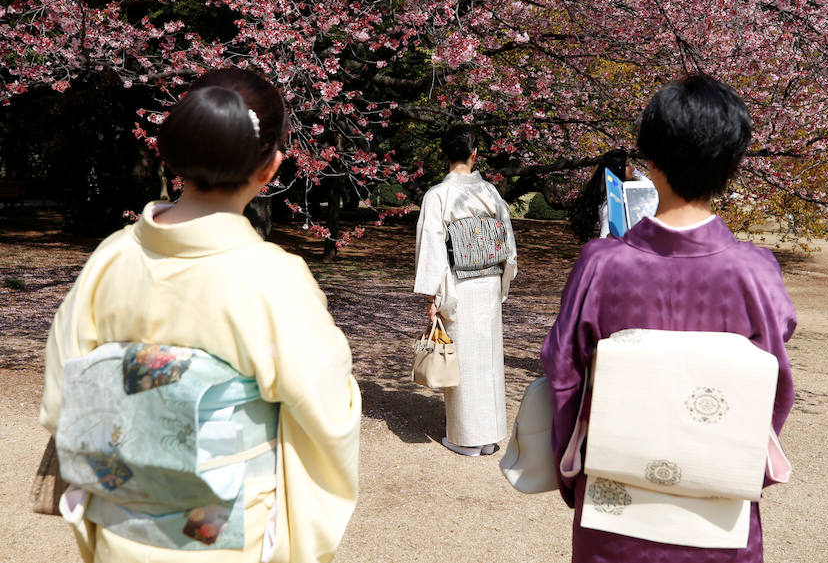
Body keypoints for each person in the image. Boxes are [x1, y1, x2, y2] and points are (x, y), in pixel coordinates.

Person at [39, 68, 361, 563]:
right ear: (271, 167)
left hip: (120, 530)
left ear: (178, 152)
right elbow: (326, 413)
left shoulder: (112, 257)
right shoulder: (273, 279)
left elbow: (64, 396)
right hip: (225, 538)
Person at [541, 75, 795, 563]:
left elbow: (563, 374)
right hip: (718, 507)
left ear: (650, 160)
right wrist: (742, 465)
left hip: (614, 510)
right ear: (732, 166)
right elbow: (776, 385)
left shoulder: (602, 265)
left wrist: (574, 470)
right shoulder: (755, 272)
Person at [414, 125, 517, 456]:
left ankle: (466, 438)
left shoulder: (438, 195)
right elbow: (507, 240)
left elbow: (432, 248)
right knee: (487, 358)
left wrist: (433, 296)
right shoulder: (489, 192)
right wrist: (501, 273)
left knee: (465, 358)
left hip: (458, 282)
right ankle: (488, 436)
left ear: (445, 154)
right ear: (475, 155)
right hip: (489, 279)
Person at [569, 149, 649, 242]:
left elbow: (650, 188)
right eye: (627, 164)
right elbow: (650, 187)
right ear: (619, 167)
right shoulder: (614, 197)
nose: (632, 167)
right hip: (611, 246)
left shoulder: (613, 193)